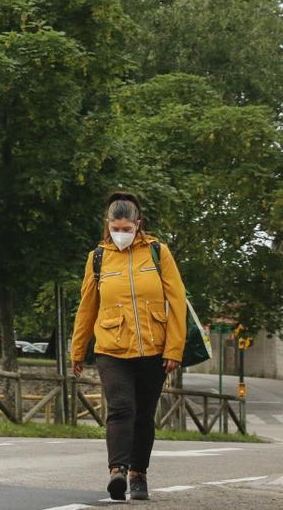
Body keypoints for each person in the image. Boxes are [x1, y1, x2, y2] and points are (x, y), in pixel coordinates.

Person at [70, 192, 187, 501]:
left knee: (144, 415)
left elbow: (177, 302)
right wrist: (77, 349)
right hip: (111, 347)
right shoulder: (97, 257)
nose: (120, 233)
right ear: (107, 225)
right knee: (121, 408)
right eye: (115, 228)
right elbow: (87, 307)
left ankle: (138, 474)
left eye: (127, 228)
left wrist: (174, 349)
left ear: (139, 224)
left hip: (154, 348)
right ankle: (117, 471)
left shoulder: (158, 252)